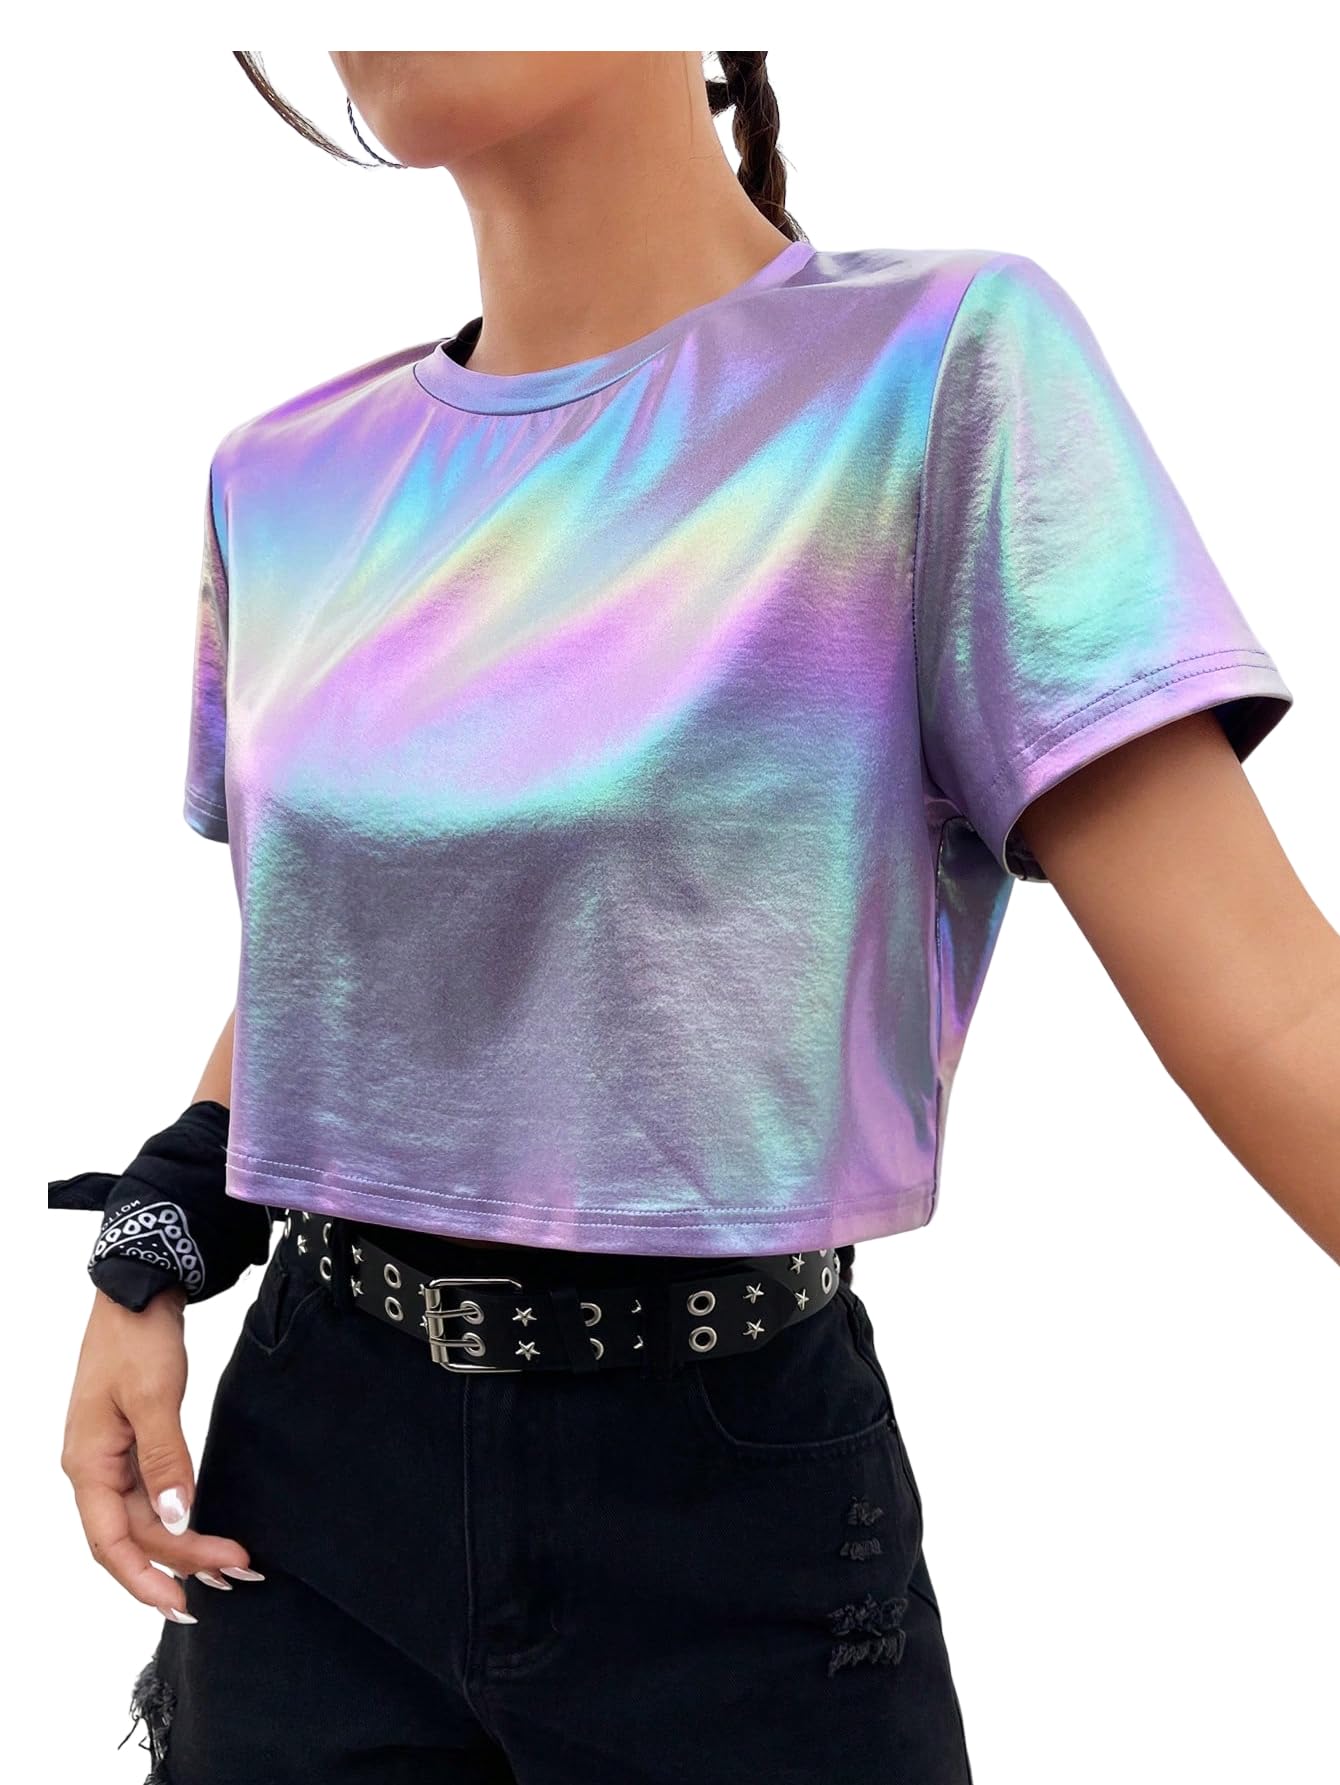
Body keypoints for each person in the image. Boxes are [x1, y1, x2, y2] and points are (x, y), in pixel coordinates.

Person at [51, 50, 1337, 1785]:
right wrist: (155, 1245)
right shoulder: (280, 478)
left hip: (727, 1512)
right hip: (307, 1483)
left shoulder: (937, 370)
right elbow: (340, 966)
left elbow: (1279, 1010)